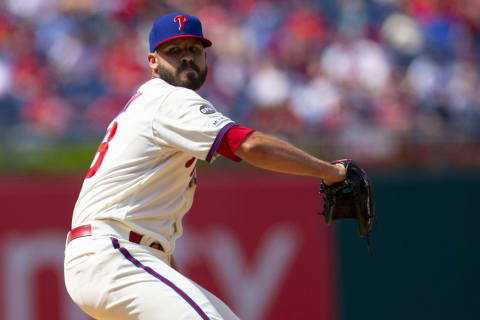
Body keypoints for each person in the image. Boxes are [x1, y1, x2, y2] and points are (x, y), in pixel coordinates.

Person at [64, 12, 346, 320]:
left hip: (122, 258)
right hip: (114, 256)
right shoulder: (169, 100)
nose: (186, 57)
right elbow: (250, 145)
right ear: (153, 61)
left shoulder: (156, 106)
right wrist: (332, 172)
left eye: (194, 49)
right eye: (174, 51)